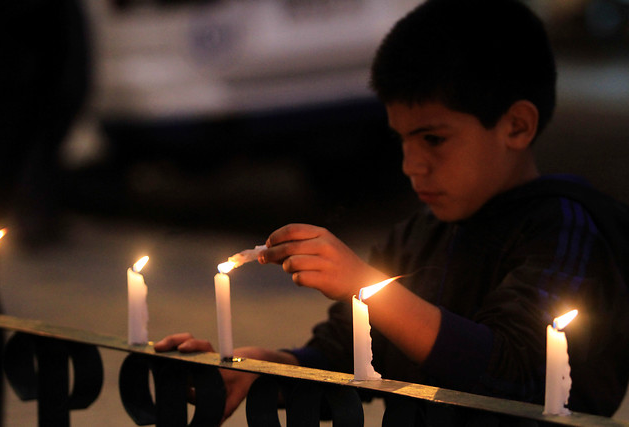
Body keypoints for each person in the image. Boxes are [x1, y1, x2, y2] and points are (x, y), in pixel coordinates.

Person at [156, 0, 629, 422]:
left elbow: (513, 372)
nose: (410, 164)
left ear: (516, 126)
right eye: (400, 139)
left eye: (433, 139)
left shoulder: (567, 230)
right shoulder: (417, 237)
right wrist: (260, 369)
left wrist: (368, 287)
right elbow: (346, 356)